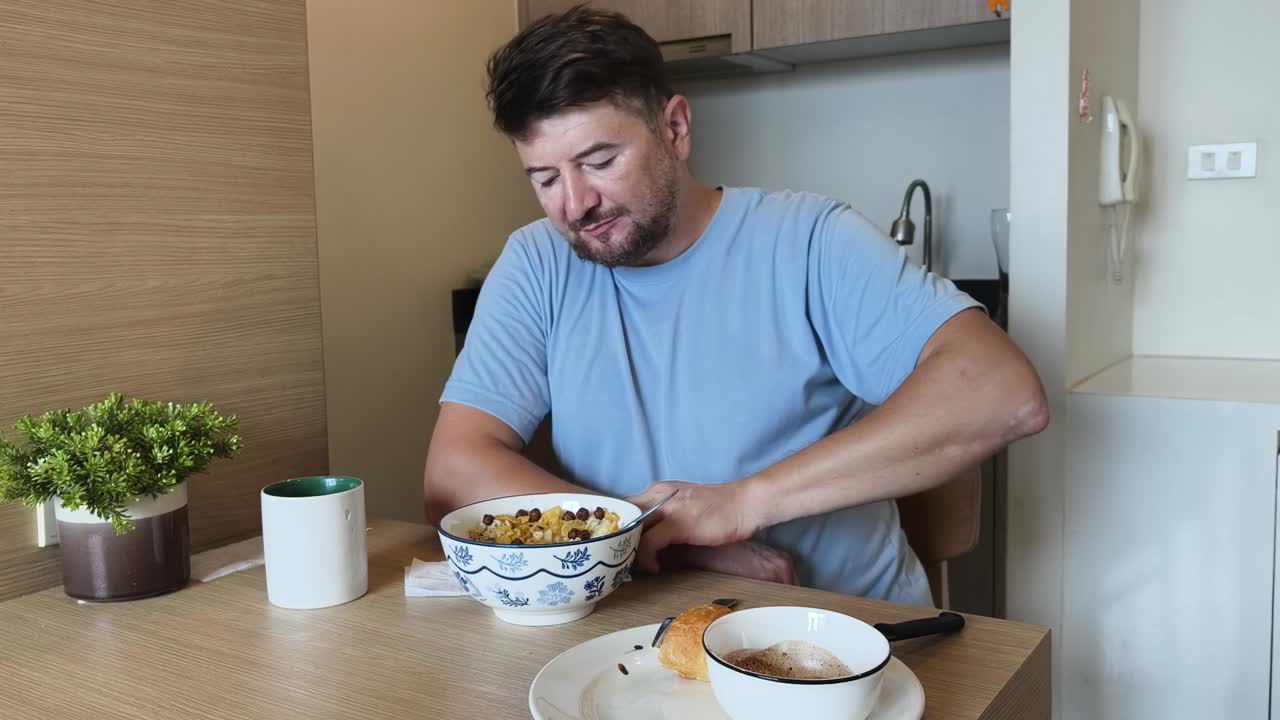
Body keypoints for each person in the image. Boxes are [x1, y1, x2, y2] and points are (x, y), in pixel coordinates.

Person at [423, 5, 1048, 607]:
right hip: (641, 629)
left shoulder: (809, 240)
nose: (575, 203)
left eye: (600, 162)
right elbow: (453, 473)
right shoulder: (537, 262)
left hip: (848, 629)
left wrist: (743, 504)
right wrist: (655, 540)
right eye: (545, 179)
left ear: (675, 129)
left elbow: (1004, 392)